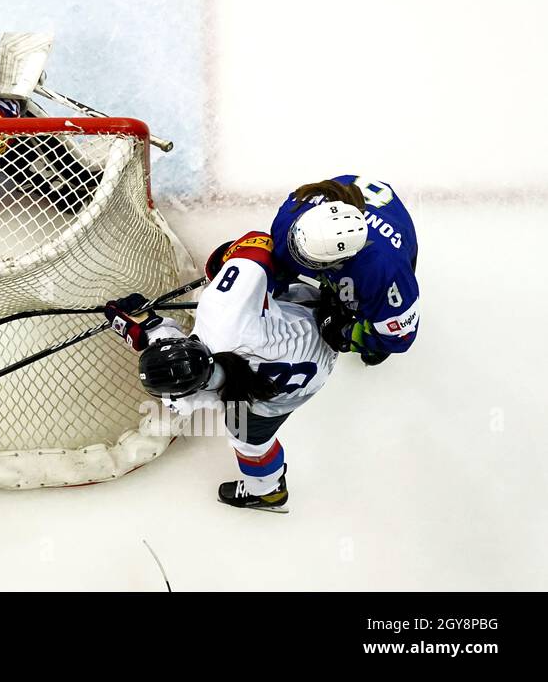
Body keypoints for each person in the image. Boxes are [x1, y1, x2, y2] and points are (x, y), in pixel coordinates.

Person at [104, 231, 338, 512]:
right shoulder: (220, 315)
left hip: (295, 389)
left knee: (247, 441)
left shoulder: (182, 399)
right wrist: (226, 264)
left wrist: (142, 328)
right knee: (275, 279)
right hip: (323, 325)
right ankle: (370, 336)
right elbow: (259, 245)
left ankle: (268, 493)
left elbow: (168, 348)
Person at [269, 176, 419, 365]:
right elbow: (285, 254)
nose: (292, 250)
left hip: (391, 238)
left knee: (376, 351)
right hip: (358, 249)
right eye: (294, 240)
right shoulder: (291, 215)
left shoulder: (386, 270)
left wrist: (344, 331)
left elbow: (401, 336)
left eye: (312, 261)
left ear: (343, 259)